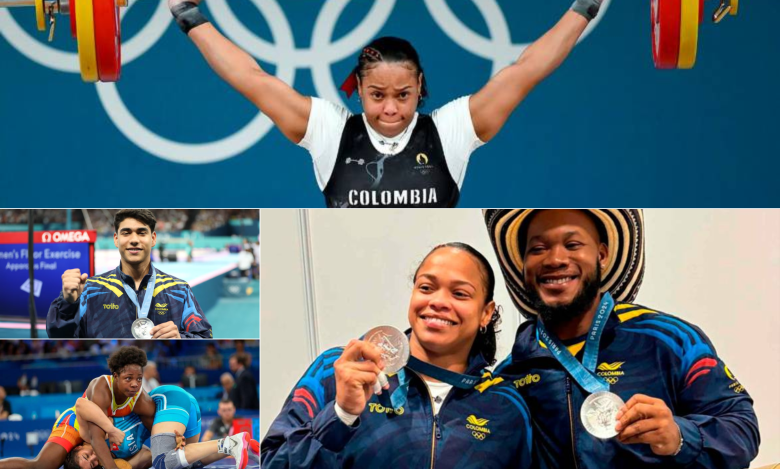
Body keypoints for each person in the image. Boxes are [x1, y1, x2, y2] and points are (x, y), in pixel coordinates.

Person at [166, 0, 607, 207]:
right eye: (377, 96)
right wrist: (189, 15)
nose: (391, 109)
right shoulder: (329, 131)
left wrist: (585, 4)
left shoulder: (450, 132)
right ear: (358, 89)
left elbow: (525, 70)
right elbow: (251, 79)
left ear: (420, 88)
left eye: (403, 95)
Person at [483, 209, 761, 468]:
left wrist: (679, 436)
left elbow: (742, 429)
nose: (555, 259)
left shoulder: (670, 340)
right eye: (538, 249)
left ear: (601, 255)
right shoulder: (510, 375)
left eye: (572, 245)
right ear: (523, 265)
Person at [261, 243, 533, 468]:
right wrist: (340, 414)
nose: (437, 301)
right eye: (426, 287)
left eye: (460, 293)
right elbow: (271, 463)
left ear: (486, 313)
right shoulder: (339, 370)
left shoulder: (505, 406)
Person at [46, 209, 213, 339]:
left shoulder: (179, 290)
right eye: (126, 233)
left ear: (153, 239)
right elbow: (58, 338)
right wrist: (68, 304)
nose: (134, 239)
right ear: (116, 239)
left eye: (141, 232)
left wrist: (181, 338)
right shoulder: (90, 290)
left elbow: (205, 336)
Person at [0, 346, 156, 469]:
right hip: (75, 424)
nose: (135, 384)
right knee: (42, 465)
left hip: (100, 435)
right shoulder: (102, 387)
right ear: (116, 376)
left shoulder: (140, 398)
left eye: (139, 379)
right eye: (128, 378)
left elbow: (153, 440)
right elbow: (95, 435)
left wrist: (169, 438)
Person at [75, 384, 252, 469]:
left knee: (163, 463)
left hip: (167, 400)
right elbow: (149, 455)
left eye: (86, 456)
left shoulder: (90, 434)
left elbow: (81, 404)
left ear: (80, 447)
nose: (94, 458)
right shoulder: (117, 457)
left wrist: (111, 429)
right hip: (181, 412)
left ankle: (231, 443)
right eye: (92, 465)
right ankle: (249, 448)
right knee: (184, 463)